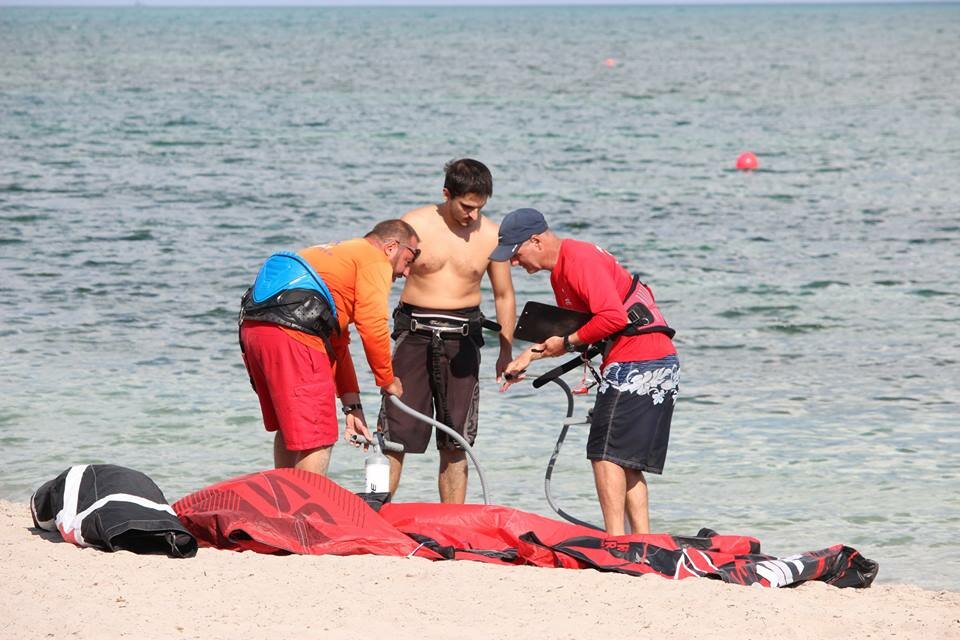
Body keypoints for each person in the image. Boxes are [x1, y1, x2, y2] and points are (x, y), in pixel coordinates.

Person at [494, 208, 679, 535]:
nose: (513, 262)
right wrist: (530, 356)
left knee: (604, 454)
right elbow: (582, 332)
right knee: (627, 461)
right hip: (655, 360)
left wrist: (564, 342)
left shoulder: (578, 259)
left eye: (516, 253)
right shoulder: (560, 272)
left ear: (536, 240)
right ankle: (643, 542)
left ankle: (615, 541)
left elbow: (612, 319)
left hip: (638, 360)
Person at [378, 159, 516, 504]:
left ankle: (452, 523)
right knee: (396, 434)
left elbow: (504, 294)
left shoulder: (491, 235)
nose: (472, 216)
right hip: (414, 333)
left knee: (457, 440)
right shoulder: (414, 224)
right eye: (466, 206)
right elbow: (379, 282)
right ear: (446, 194)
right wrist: (376, 343)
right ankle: (374, 513)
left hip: (463, 339)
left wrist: (505, 350)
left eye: (479, 208)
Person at [238, 220, 420, 476]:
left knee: (290, 429)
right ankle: (305, 512)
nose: (407, 272)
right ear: (391, 247)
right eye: (410, 259)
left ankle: (285, 508)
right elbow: (373, 326)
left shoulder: (339, 254)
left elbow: (338, 343)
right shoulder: (374, 259)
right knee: (317, 436)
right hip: (294, 333)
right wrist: (387, 379)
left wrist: (352, 406)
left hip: (254, 330)